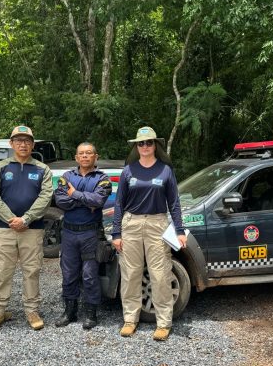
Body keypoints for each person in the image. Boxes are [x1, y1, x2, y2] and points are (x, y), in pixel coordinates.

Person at [111, 126, 187, 341]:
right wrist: (117, 233)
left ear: (156, 145)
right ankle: (130, 320)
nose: (145, 146)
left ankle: (163, 323)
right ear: (136, 146)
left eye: (149, 143)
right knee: (130, 274)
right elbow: (118, 204)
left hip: (157, 224)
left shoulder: (165, 170)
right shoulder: (128, 171)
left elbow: (174, 203)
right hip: (131, 224)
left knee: (160, 274)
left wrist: (179, 230)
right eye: (141, 143)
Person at [0, 125, 53, 333]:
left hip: (32, 229)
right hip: (5, 229)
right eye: (18, 140)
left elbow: (46, 197)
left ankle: (32, 310)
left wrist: (27, 219)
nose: (23, 144)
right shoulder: (1, 167)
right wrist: (12, 219)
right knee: (3, 271)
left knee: (32, 270)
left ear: (32, 144)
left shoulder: (42, 169)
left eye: (27, 141)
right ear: (11, 143)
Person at [54, 142, 113, 329]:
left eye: (89, 153)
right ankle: (69, 312)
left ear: (96, 156)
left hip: (90, 233)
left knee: (89, 275)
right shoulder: (67, 176)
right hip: (69, 233)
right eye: (81, 153)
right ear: (76, 157)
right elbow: (61, 200)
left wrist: (75, 194)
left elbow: (98, 200)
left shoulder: (103, 179)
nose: (85, 156)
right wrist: (84, 200)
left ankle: (91, 314)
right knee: (69, 273)